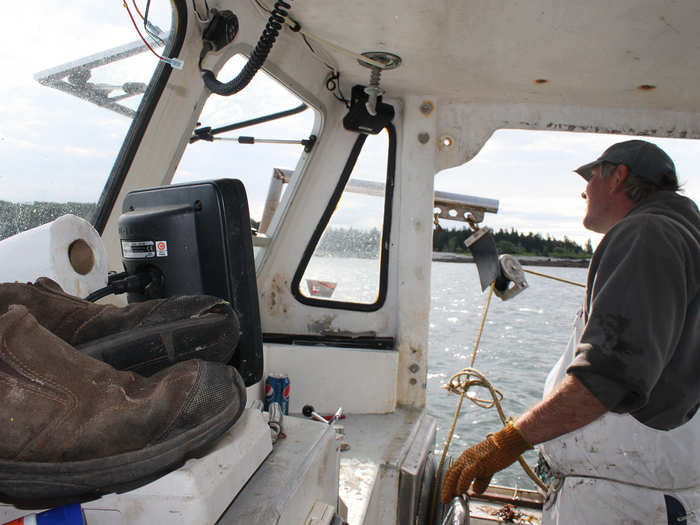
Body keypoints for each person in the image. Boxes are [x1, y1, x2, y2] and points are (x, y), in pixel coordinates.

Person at [441, 140, 700, 524]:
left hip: (624, 503)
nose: (584, 189)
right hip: (638, 492)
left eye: (591, 175)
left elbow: (607, 377)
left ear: (619, 177)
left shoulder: (647, 234)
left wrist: (508, 441)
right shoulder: (677, 234)